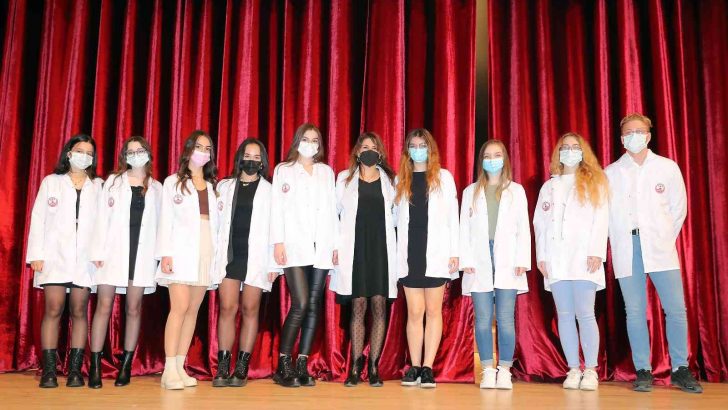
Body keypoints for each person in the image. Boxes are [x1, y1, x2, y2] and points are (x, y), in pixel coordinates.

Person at [605, 113, 701, 393]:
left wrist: (662, 237)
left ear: (648, 135)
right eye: (628, 132)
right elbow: (605, 214)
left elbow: (678, 208)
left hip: (660, 246)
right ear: (622, 139)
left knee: (676, 309)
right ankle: (643, 370)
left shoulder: (667, 167)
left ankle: (680, 369)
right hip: (628, 246)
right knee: (634, 311)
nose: (634, 136)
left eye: (639, 131)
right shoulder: (611, 173)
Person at [533, 132, 609, 391]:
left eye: (575, 147)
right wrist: (542, 255)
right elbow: (540, 224)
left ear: (583, 151)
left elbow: (601, 218)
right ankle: (573, 368)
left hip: (584, 257)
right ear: (558, 153)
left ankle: (591, 370)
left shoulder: (595, 182)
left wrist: (596, 251)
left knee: (585, 314)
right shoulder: (549, 187)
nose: (569, 151)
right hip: (557, 259)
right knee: (564, 315)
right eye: (564, 147)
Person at [26, 134, 103, 388]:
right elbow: (38, 218)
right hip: (54, 256)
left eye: (89, 153)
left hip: (85, 259)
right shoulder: (52, 182)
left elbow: (104, 225)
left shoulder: (98, 186)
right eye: (80, 151)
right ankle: (49, 371)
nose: (84, 156)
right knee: (54, 308)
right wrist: (36, 254)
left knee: (79, 310)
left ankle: (75, 371)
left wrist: (100, 254)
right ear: (69, 153)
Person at [88, 136, 162, 388]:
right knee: (103, 306)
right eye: (131, 151)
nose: (136, 155)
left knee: (133, 308)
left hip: (141, 255)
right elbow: (101, 219)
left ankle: (126, 366)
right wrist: (97, 252)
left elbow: (162, 226)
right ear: (124, 156)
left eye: (140, 150)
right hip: (112, 254)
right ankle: (95, 367)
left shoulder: (157, 188)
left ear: (148, 153)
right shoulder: (112, 182)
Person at [270, 123, 337, 388]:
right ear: (297, 141)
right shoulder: (284, 170)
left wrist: (334, 246)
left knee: (313, 305)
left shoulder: (326, 172)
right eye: (306, 139)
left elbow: (331, 210)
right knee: (300, 303)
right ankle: (283, 364)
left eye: (315, 140)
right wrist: (278, 242)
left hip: (321, 246)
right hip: (294, 246)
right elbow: (276, 209)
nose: (310, 144)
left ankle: (302, 363)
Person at [459, 139, 530, 389]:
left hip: (508, 259)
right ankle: (488, 369)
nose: (492, 160)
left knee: (505, 319)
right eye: (487, 156)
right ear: (481, 161)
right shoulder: (470, 192)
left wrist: (522, 259)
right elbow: (464, 229)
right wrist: (466, 258)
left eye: (497, 155)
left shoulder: (516, 191)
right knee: (482, 319)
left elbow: (523, 228)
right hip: (479, 259)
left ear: (505, 159)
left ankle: (505, 370)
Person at [331, 132, 397, 387]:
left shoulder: (390, 180)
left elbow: (397, 215)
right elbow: (334, 215)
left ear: (380, 153)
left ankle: (374, 366)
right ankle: (355, 366)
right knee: (358, 306)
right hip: (355, 249)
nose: (369, 150)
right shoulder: (344, 179)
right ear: (357, 151)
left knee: (379, 306)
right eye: (365, 146)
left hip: (381, 250)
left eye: (374, 147)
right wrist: (335, 247)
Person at [395, 128, 459, 389]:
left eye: (423, 145)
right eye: (414, 145)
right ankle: (414, 366)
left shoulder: (444, 178)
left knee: (433, 311)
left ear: (430, 149)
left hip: (436, 252)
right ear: (408, 150)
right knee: (414, 311)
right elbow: (393, 218)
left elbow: (453, 217)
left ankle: (428, 368)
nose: (418, 149)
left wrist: (454, 252)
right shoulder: (401, 179)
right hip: (410, 252)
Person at [155, 130, 219, 390]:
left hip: (206, 249)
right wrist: (165, 253)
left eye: (207, 148)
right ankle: (168, 369)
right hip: (180, 250)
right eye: (198, 147)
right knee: (179, 307)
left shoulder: (213, 186)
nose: (202, 152)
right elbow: (165, 220)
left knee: (192, 310)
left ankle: (180, 367)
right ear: (189, 149)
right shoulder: (173, 182)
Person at [212, 138, 274, 387]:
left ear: (263, 162)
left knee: (250, 309)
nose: (251, 161)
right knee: (228, 308)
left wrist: (273, 265)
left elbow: (275, 229)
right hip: (229, 255)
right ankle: (223, 365)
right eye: (247, 156)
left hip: (256, 258)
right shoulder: (224, 187)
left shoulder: (269, 191)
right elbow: (216, 224)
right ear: (240, 158)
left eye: (257, 157)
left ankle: (241, 367)